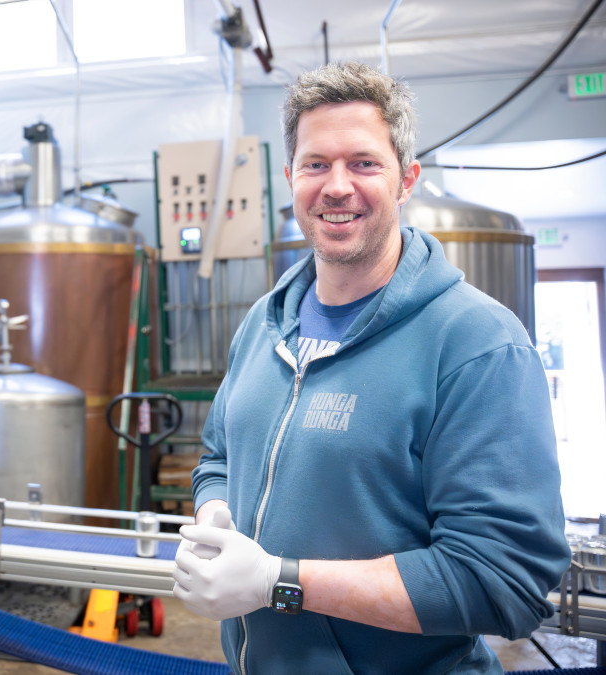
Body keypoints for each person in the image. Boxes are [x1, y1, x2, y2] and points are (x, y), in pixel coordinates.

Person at [171, 60, 570, 673]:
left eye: (363, 163)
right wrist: (215, 510)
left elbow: (503, 579)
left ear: (405, 179)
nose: (336, 186)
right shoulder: (263, 323)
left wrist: (279, 581)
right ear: (289, 177)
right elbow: (219, 457)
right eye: (315, 164)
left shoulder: (477, 342)